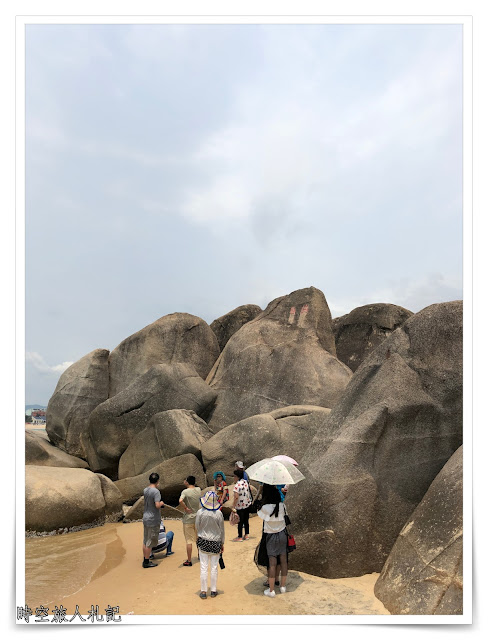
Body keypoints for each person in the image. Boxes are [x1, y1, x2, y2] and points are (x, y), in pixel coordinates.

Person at [257, 483, 288, 597]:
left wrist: (259, 494)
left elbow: (257, 511)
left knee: (272, 563)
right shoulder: (282, 506)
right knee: (283, 561)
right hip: (282, 534)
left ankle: (271, 591)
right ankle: (283, 586)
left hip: (270, 536)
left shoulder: (265, 508)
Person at [195, 491, 225, 599]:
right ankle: (213, 590)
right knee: (214, 567)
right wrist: (222, 543)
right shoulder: (219, 514)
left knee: (203, 566)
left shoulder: (200, 512)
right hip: (216, 542)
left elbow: (197, 526)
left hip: (203, 541)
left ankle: (203, 591)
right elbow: (222, 530)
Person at [142, 472, 165, 568]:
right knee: (150, 541)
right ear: (157, 481)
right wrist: (161, 503)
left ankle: (145, 558)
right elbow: (157, 505)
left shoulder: (145, 490)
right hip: (153, 519)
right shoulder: (156, 492)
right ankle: (146, 562)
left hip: (146, 517)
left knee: (145, 540)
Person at [179, 475, 201, 566]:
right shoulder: (198, 489)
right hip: (197, 517)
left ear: (187, 482)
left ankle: (189, 560)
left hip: (188, 518)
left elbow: (180, 500)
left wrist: (185, 508)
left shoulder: (185, 491)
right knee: (198, 538)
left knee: (189, 541)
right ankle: (200, 555)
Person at [231, 468, 253, 541]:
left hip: (240, 506)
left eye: (234, 476)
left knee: (240, 521)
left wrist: (233, 506)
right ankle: (246, 535)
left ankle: (240, 536)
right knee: (246, 520)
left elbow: (236, 497)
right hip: (247, 504)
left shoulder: (237, 486)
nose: (233, 478)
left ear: (237, 477)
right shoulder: (245, 482)